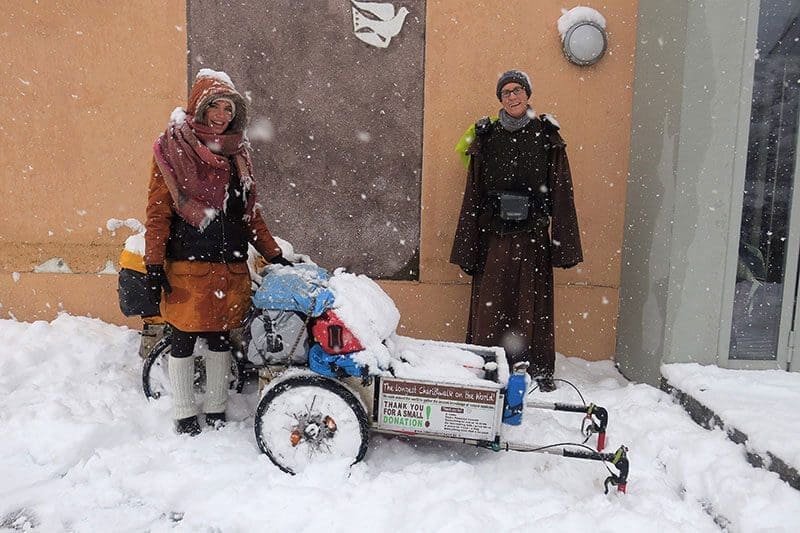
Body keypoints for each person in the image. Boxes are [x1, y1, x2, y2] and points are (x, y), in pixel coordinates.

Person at [145, 69, 292, 435]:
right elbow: (158, 212)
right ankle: (182, 412)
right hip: (187, 264)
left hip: (229, 265)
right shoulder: (172, 149)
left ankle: (215, 409)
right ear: (201, 107)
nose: (222, 116)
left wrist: (273, 254)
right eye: (216, 107)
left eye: (229, 109)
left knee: (219, 337)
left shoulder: (237, 153)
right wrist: (153, 263)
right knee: (182, 336)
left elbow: (248, 215)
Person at [450, 69, 582, 392]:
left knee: (530, 303)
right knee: (491, 304)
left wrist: (562, 245)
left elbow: (561, 191)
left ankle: (530, 365)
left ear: (528, 95)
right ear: (500, 99)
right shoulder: (486, 136)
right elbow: (473, 194)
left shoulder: (546, 135)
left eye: (517, 90)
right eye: (506, 92)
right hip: (494, 238)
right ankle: (489, 362)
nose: (512, 96)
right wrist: (468, 246)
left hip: (532, 238)